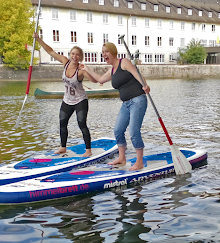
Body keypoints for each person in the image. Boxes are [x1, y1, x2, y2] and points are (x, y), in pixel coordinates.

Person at [81, 42, 150, 170]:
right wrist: (87, 69)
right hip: (126, 104)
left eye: (106, 51)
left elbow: (136, 73)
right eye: (103, 52)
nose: (104, 54)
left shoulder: (124, 62)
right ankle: (122, 158)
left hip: (138, 100)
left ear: (113, 52)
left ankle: (139, 161)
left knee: (134, 131)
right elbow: (100, 79)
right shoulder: (112, 70)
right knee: (118, 130)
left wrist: (144, 85)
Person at [33, 33, 92, 156]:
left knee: (81, 123)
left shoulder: (81, 71)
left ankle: (88, 150)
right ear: (70, 54)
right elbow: (50, 51)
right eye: (73, 54)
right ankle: (63, 147)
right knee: (62, 122)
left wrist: (87, 69)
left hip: (80, 100)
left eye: (77, 55)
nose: (75, 56)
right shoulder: (65, 62)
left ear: (80, 57)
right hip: (67, 100)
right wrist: (38, 39)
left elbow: (94, 80)